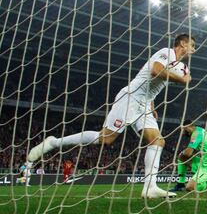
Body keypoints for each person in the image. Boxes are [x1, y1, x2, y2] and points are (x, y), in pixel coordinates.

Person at [26, 34, 195, 198]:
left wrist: (151, 105)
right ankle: (53, 142)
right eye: (192, 45)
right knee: (106, 139)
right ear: (182, 44)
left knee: (157, 141)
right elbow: (156, 71)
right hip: (131, 99)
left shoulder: (176, 63)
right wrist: (182, 80)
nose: (193, 50)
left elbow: (151, 85)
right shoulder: (167, 52)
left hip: (144, 105)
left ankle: (150, 188)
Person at [171, 120, 207, 192]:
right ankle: (180, 184)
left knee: (190, 188)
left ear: (188, 127)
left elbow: (188, 153)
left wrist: (186, 153)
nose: (183, 133)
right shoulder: (199, 131)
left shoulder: (196, 133)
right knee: (181, 157)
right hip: (204, 162)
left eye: (184, 130)